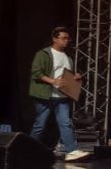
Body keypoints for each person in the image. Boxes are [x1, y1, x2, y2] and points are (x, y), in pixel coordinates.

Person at [28, 26, 91, 161]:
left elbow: (67, 76)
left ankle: (71, 151)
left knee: (65, 123)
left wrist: (75, 78)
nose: (66, 41)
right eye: (63, 38)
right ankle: (29, 150)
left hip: (62, 96)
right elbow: (36, 73)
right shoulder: (44, 54)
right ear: (54, 39)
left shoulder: (68, 58)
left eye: (67, 38)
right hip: (45, 95)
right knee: (40, 124)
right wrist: (52, 81)